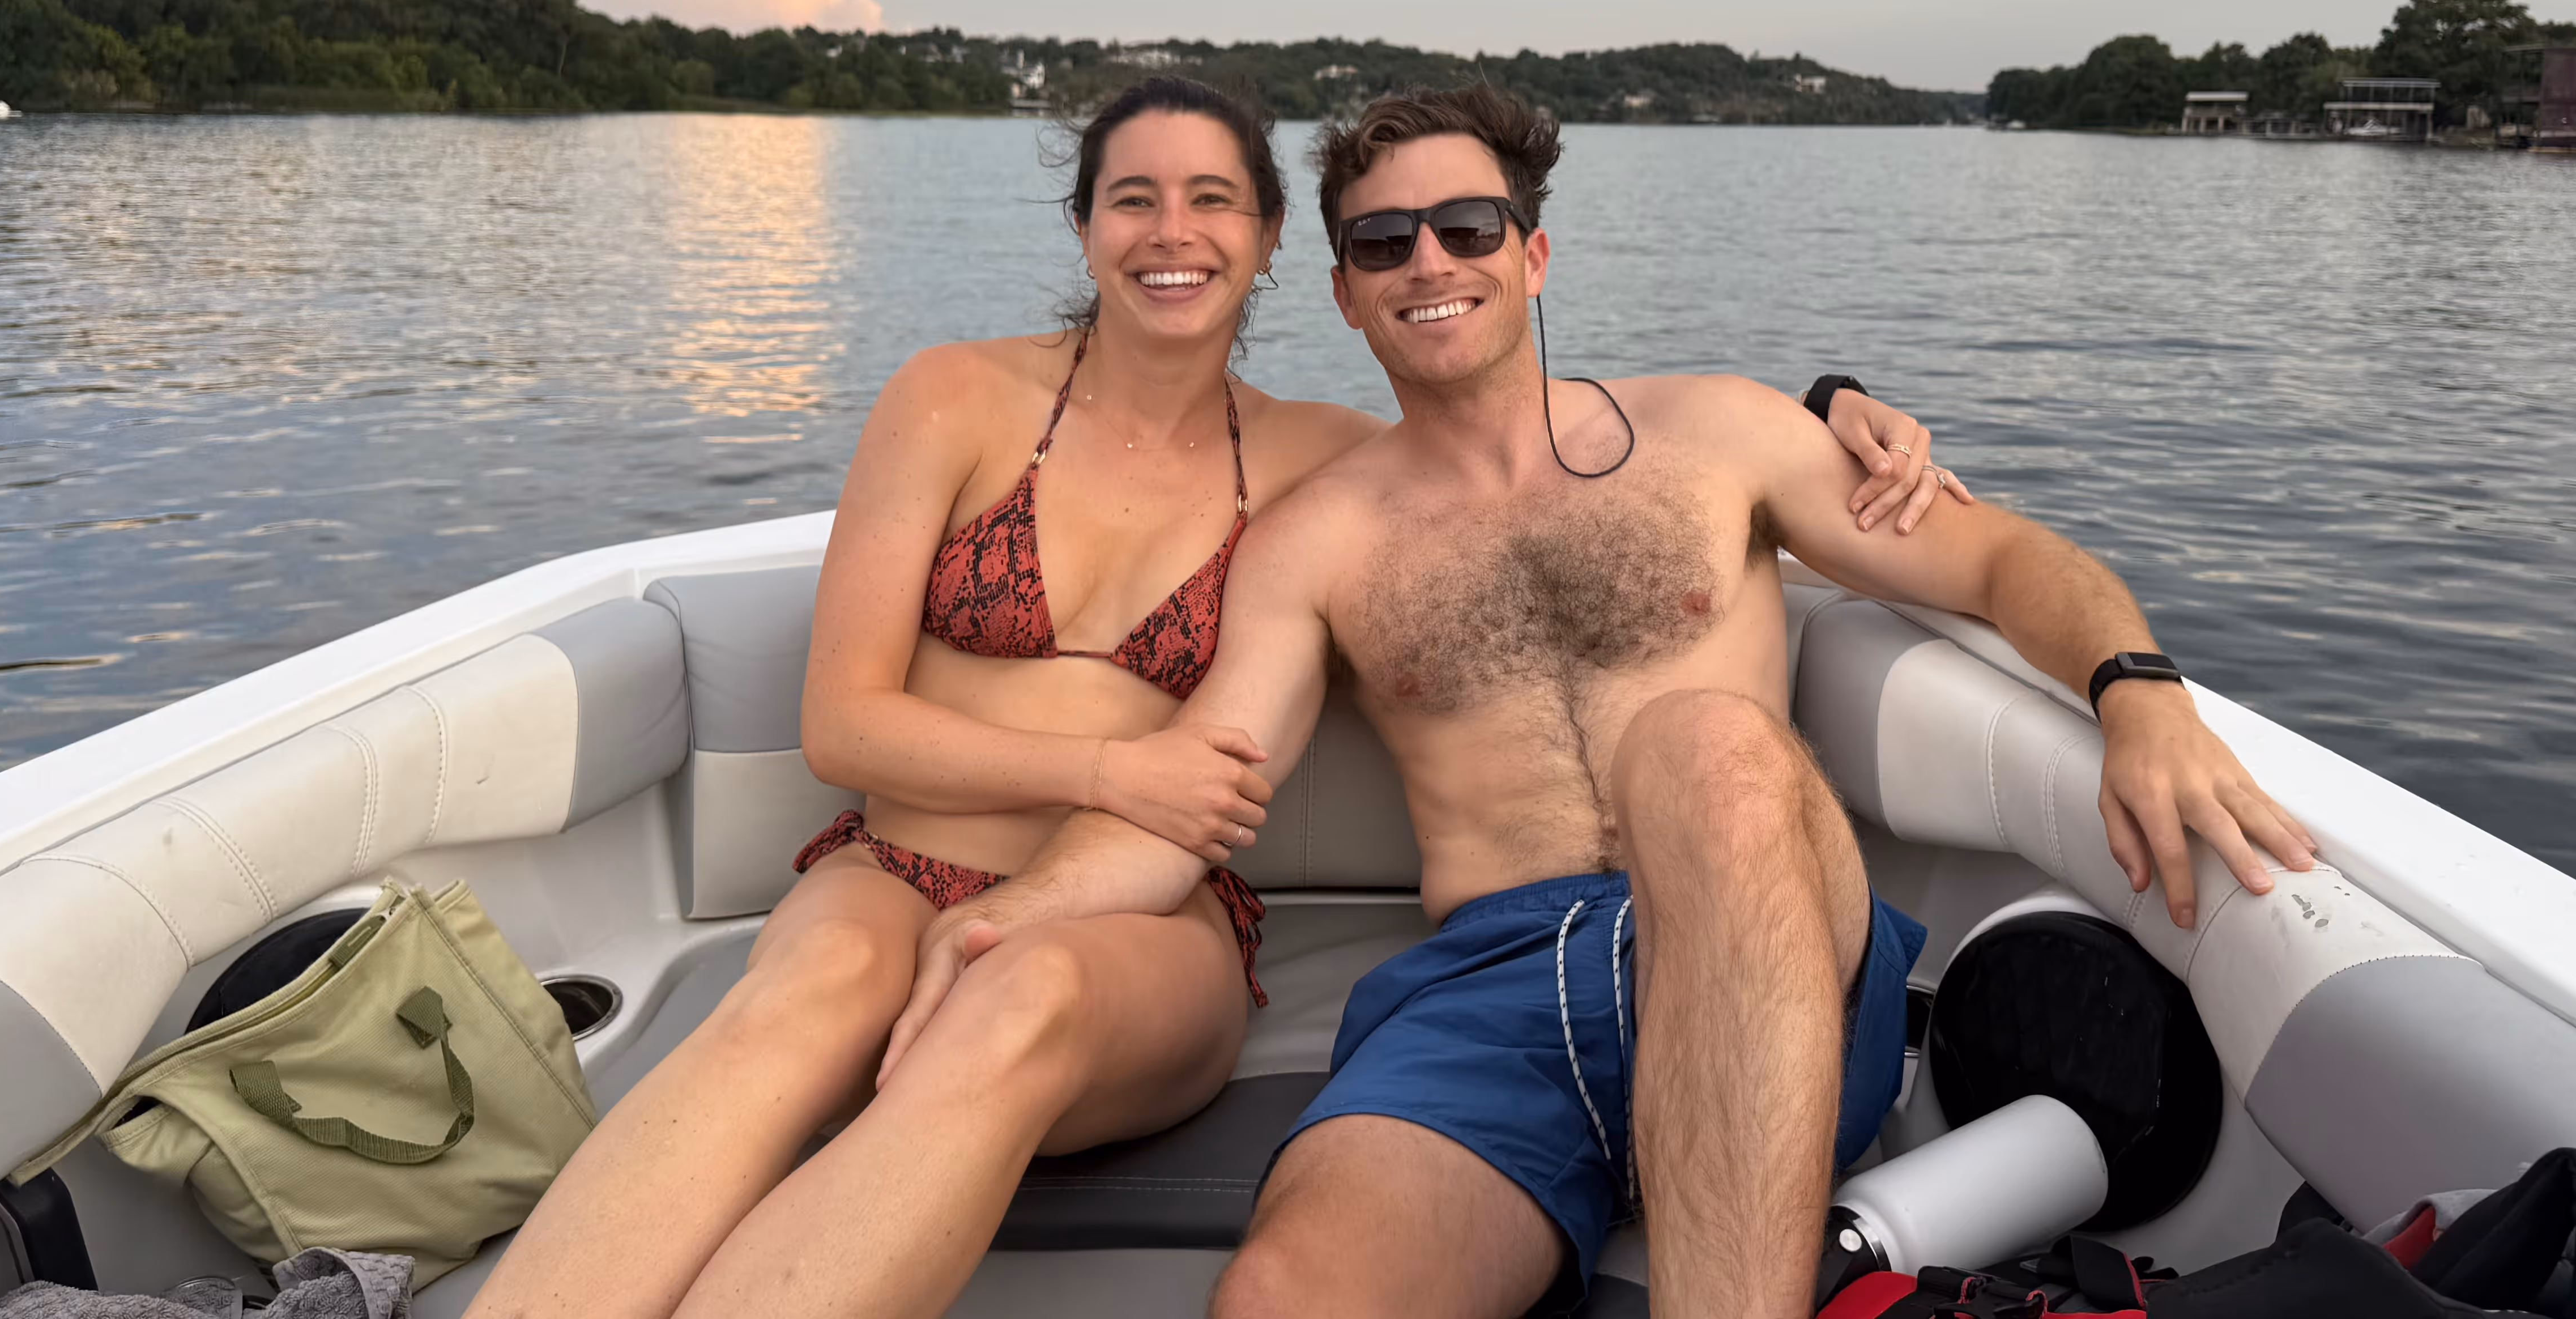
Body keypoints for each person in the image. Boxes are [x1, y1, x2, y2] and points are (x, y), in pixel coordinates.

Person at [470, 76, 1956, 1319]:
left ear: (1259, 252)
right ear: (1084, 228)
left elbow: (1503, 440)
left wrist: (1825, 408)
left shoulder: (1317, 461)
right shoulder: (954, 397)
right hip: (895, 862)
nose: (1171, 232)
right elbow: (841, 727)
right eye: (1133, 199)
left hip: (1136, 921)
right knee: (788, 1011)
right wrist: (1114, 779)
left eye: (1212, 203)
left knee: (1020, 1001)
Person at [882, 83, 2321, 1319]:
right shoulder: (1319, 539)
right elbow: (1207, 777)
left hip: (1757, 940)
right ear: (1341, 290)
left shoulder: (1720, 435)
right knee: (1284, 1298)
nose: (1427, 261)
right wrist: (1008, 918)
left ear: (1535, 251)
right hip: (1493, 995)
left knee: (1700, 747)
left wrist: (2138, 694)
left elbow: (2002, 556)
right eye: (1382, 242)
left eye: (1467, 228)